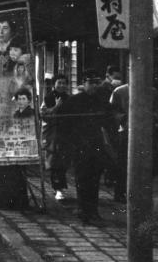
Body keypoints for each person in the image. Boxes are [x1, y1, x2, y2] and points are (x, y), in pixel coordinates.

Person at [55, 68, 115, 224]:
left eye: (96, 83)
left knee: (94, 180)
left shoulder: (102, 101)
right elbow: (60, 121)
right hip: (79, 146)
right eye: (90, 83)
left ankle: (93, 211)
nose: (94, 86)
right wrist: (68, 142)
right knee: (82, 179)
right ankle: (83, 210)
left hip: (96, 145)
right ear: (83, 83)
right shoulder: (74, 101)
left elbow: (110, 120)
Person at [41, 73, 71, 201]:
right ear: (54, 84)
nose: (61, 85)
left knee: (63, 161)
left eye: (64, 83)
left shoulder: (69, 98)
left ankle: (60, 188)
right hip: (52, 133)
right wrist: (56, 107)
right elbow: (43, 115)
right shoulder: (48, 98)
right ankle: (58, 188)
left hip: (65, 133)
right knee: (54, 162)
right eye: (59, 82)